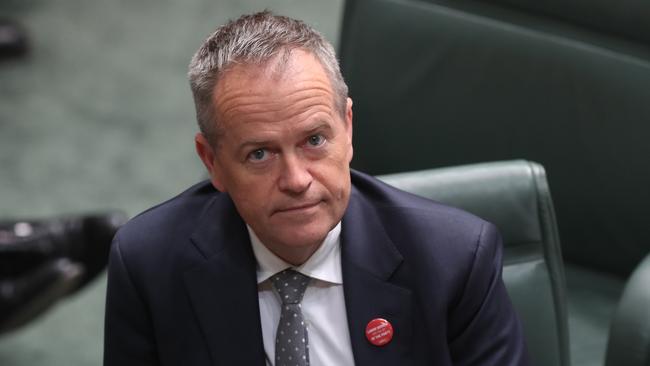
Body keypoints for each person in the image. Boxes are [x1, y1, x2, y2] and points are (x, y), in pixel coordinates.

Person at [104, 11, 529, 366]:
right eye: (260, 154)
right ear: (212, 162)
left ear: (347, 128)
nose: (296, 180)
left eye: (314, 141)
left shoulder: (455, 259)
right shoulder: (149, 264)